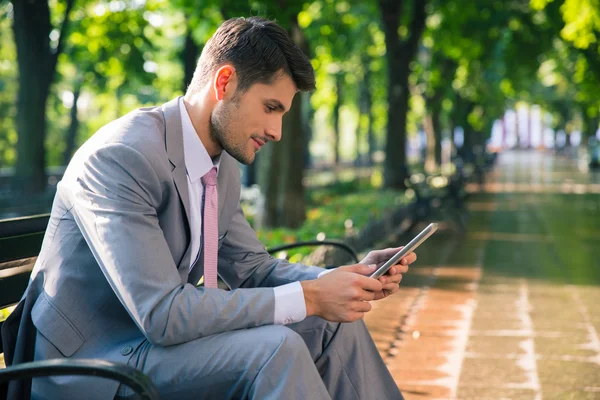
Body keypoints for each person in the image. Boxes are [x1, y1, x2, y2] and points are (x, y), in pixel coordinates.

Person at [1, 17, 417, 400]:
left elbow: (253, 269)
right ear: (225, 83)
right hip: (93, 365)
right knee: (276, 350)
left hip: (158, 347)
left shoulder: (219, 163)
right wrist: (308, 296)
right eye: (271, 107)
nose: (276, 131)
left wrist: (345, 278)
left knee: (331, 325)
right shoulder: (122, 156)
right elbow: (161, 314)